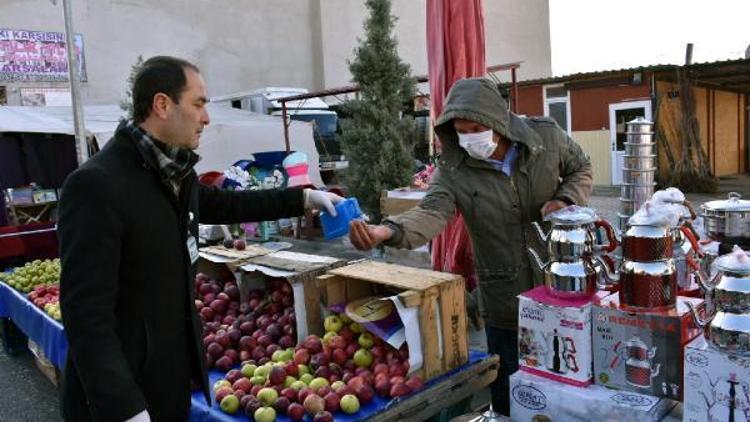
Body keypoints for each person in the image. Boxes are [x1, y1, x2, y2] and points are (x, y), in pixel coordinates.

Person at [58, 56, 342, 422]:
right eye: (198, 103)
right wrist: (123, 407)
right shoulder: (97, 185)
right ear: (162, 105)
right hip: (120, 399)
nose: (206, 117)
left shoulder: (176, 174)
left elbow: (226, 204)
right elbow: (85, 314)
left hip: (169, 384)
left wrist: (303, 198)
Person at [349, 77, 592, 415]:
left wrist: (566, 200)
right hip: (505, 303)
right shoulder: (453, 169)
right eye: (461, 131)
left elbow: (581, 168)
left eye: (476, 127)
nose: (468, 138)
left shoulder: (546, 138)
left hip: (562, 292)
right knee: (512, 400)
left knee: (568, 396)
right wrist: (388, 232)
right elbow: (432, 212)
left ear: (498, 120)